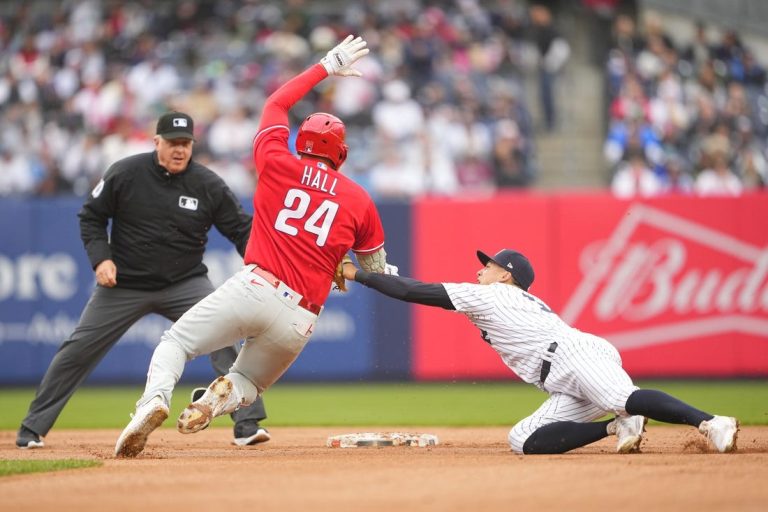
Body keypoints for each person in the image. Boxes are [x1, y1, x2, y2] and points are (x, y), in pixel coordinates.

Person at [115, 35, 395, 457]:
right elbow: (375, 268)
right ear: (341, 152)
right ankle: (212, 402)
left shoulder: (275, 160)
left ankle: (152, 403)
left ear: (301, 142)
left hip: (257, 286)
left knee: (175, 344)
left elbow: (276, 104)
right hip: (301, 318)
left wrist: (326, 66)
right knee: (248, 382)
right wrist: (343, 263)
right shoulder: (358, 199)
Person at [16, 111, 270, 450]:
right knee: (78, 349)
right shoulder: (126, 172)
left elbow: (242, 230)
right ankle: (32, 428)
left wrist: (266, 265)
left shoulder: (208, 184)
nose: (180, 150)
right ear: (157, 143)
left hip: (185, 282)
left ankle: (247, 425)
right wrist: (101, 258)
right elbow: (91, 215)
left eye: (186, 143)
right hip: (124, 284)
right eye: (173, 143)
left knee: (224, 338)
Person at [340, 248, 739, 454]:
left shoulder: (491, 294)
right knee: (523, 440)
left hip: (571, 353)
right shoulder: (503, 298)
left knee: (623, 397)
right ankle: (618, 426)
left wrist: (358, 274)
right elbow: (407, 286)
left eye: (490, 265)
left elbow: (415, 291)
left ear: (506, 276)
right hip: (563, 377)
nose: (481, 269)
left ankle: (712, 422)